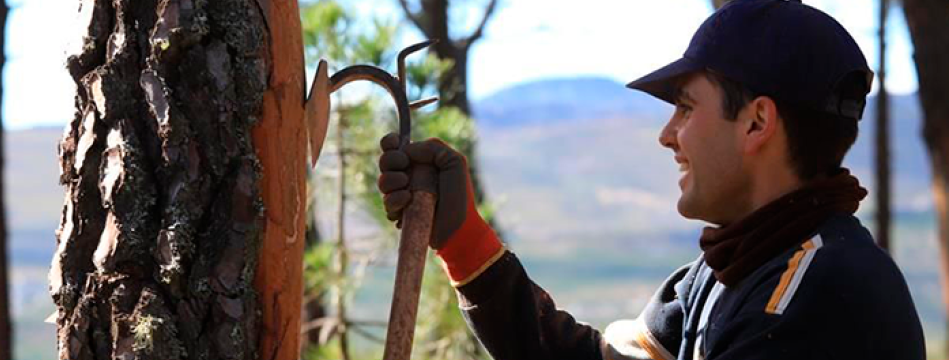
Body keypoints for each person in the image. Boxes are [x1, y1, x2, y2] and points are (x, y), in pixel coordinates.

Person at [376, 0, 926, 359]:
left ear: (757, 121)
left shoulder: (822, 295)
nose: (668, 135)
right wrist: (464, 240)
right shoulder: (725, 273)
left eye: (686, 109)